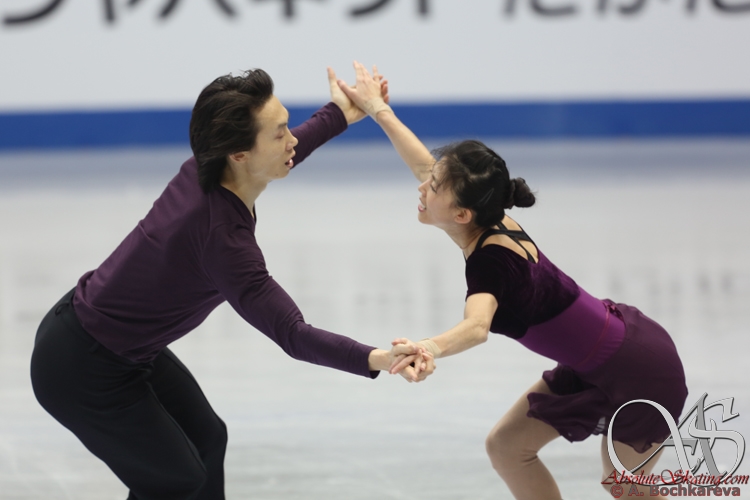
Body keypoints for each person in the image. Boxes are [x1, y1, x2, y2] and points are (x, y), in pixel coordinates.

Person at [30, 66, 433, 500]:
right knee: (175, 479)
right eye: (279, 133)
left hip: (113, 345)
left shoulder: (208, 166)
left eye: (286, 126)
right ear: (239, 154)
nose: (291, 140)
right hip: (80, 369)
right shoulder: (222, 240)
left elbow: (290, 150)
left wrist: (340, 112)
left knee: (206, 439)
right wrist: (379, 358)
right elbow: (293, 334)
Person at [336, 61, 688, 500]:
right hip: (595, 362)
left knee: (625, 487)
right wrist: (377, 108)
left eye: (434, 186)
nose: (423, 187)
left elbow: (476, 327)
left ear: (461, 214)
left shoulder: (491, 263)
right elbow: (422, 164)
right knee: (506, 448)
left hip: (639, 371)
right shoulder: (487, 215)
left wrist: (429, 347)